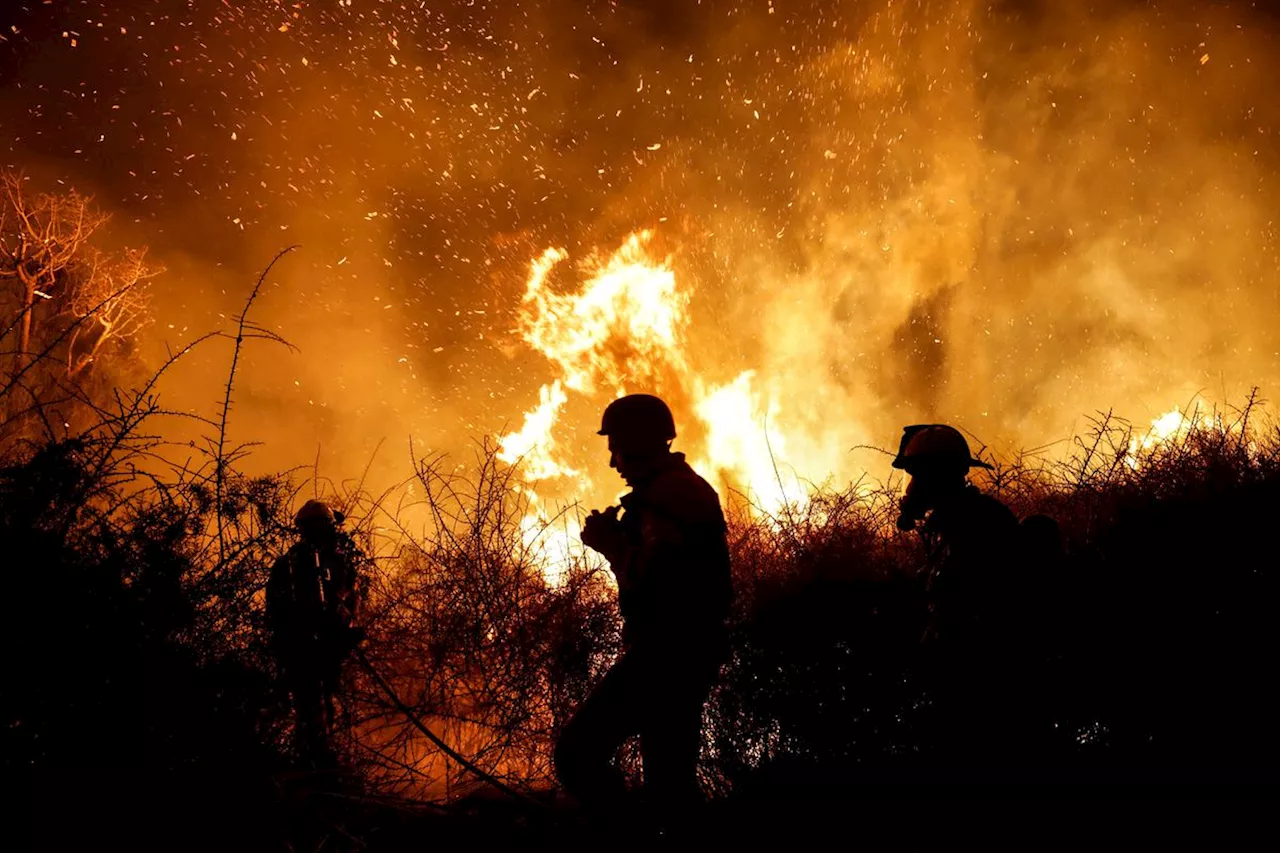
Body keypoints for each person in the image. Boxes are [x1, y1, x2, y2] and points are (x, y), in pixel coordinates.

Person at [554, 393, 733, 825]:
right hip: (682, 652)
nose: (613, 461)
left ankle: (629, 841)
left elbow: (658, 583)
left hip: (668, 654)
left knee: (577, 754)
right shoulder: (673, 491)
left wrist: (610, 544)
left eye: (615, 446)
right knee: (670, 784)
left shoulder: (670, 497)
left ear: (637, 442)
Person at [892, 424, 1035, 775]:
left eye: (915, 475)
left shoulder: (975, 528)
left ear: (935, 476)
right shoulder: (962, 521)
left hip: (980, 697)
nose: (910, 487)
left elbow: (972, 619)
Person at [265, 499, 365, 765]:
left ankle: (318, 757)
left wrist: (344, 629)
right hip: (302, 646)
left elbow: (349, 601)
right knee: (312, 703)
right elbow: (276, 610)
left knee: (322, 701)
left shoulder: (338, 562)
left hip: (326, 645)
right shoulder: (291, 565)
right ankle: (315, 760)